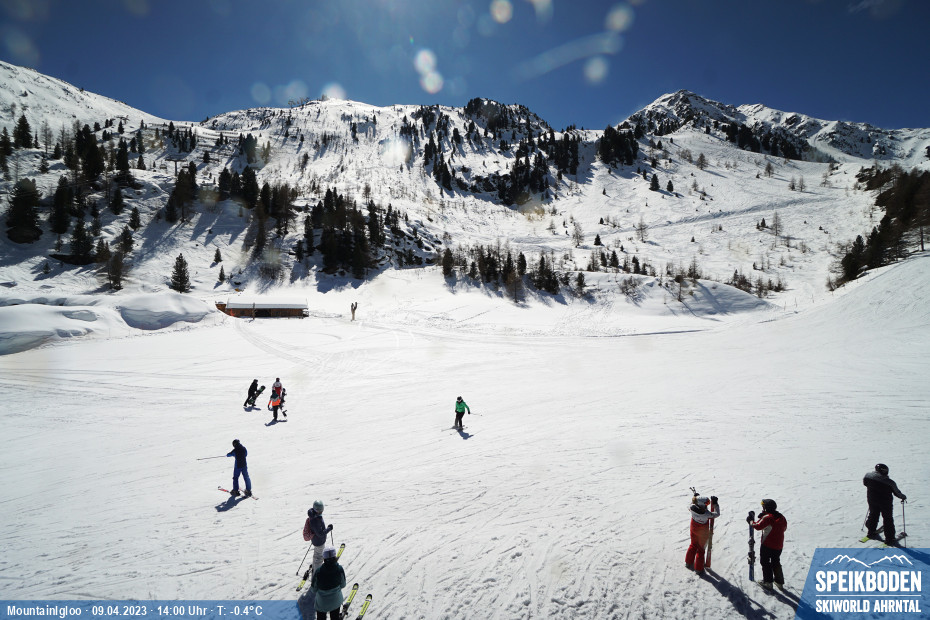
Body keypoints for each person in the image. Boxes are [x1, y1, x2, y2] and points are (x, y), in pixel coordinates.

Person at [864, 463, 907, 545]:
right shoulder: (889, 482)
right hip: (885, 503)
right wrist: (903, 497)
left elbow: (865, 483)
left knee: (873, 514)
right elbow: (897, 492)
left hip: (872, 500)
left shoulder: (868, 476)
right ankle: (890, 538)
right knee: (888, 519)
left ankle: (871, 531)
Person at [750, 499, 788, 589]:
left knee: (765, 562)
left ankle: (768, 582)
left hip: (767, 545)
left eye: (763, 506)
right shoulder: (781, 517)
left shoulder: (768, 518)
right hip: (778, 545)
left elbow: (757, 526)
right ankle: (779, 581)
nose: (762, 508)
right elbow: (784, 528)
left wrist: (750, 521)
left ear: (766, 508)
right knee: (776, 562)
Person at [685, 495, 719, 574]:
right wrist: (716, 505)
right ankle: (698, 568)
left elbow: (690, 505)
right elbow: (717, 514)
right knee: (700, 549)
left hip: (693, 529)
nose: (707, 506)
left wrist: (695, 498)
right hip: (702, 533)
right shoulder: (706, 514)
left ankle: (688, 562)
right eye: (706, 505)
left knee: (693, 545)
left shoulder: (692, 508)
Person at [310, 545, 346, 620]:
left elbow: (313, 589)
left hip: (322, 603)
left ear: (324, 558)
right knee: (335, 617)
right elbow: (343, 585)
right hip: (336, 601)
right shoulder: (339, 569)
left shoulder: (319, 571)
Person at [303, 500, 333, 573]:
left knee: (316, 555)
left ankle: (314, 568)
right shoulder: (315, 520)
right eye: (320, 511)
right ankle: (316, 574)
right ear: (316, 510)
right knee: (319, 558)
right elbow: (320, 533)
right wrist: (329, 529)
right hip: (319, 542)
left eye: (322, 510)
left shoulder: (314, 515)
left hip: (316, 540)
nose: (321, 512)